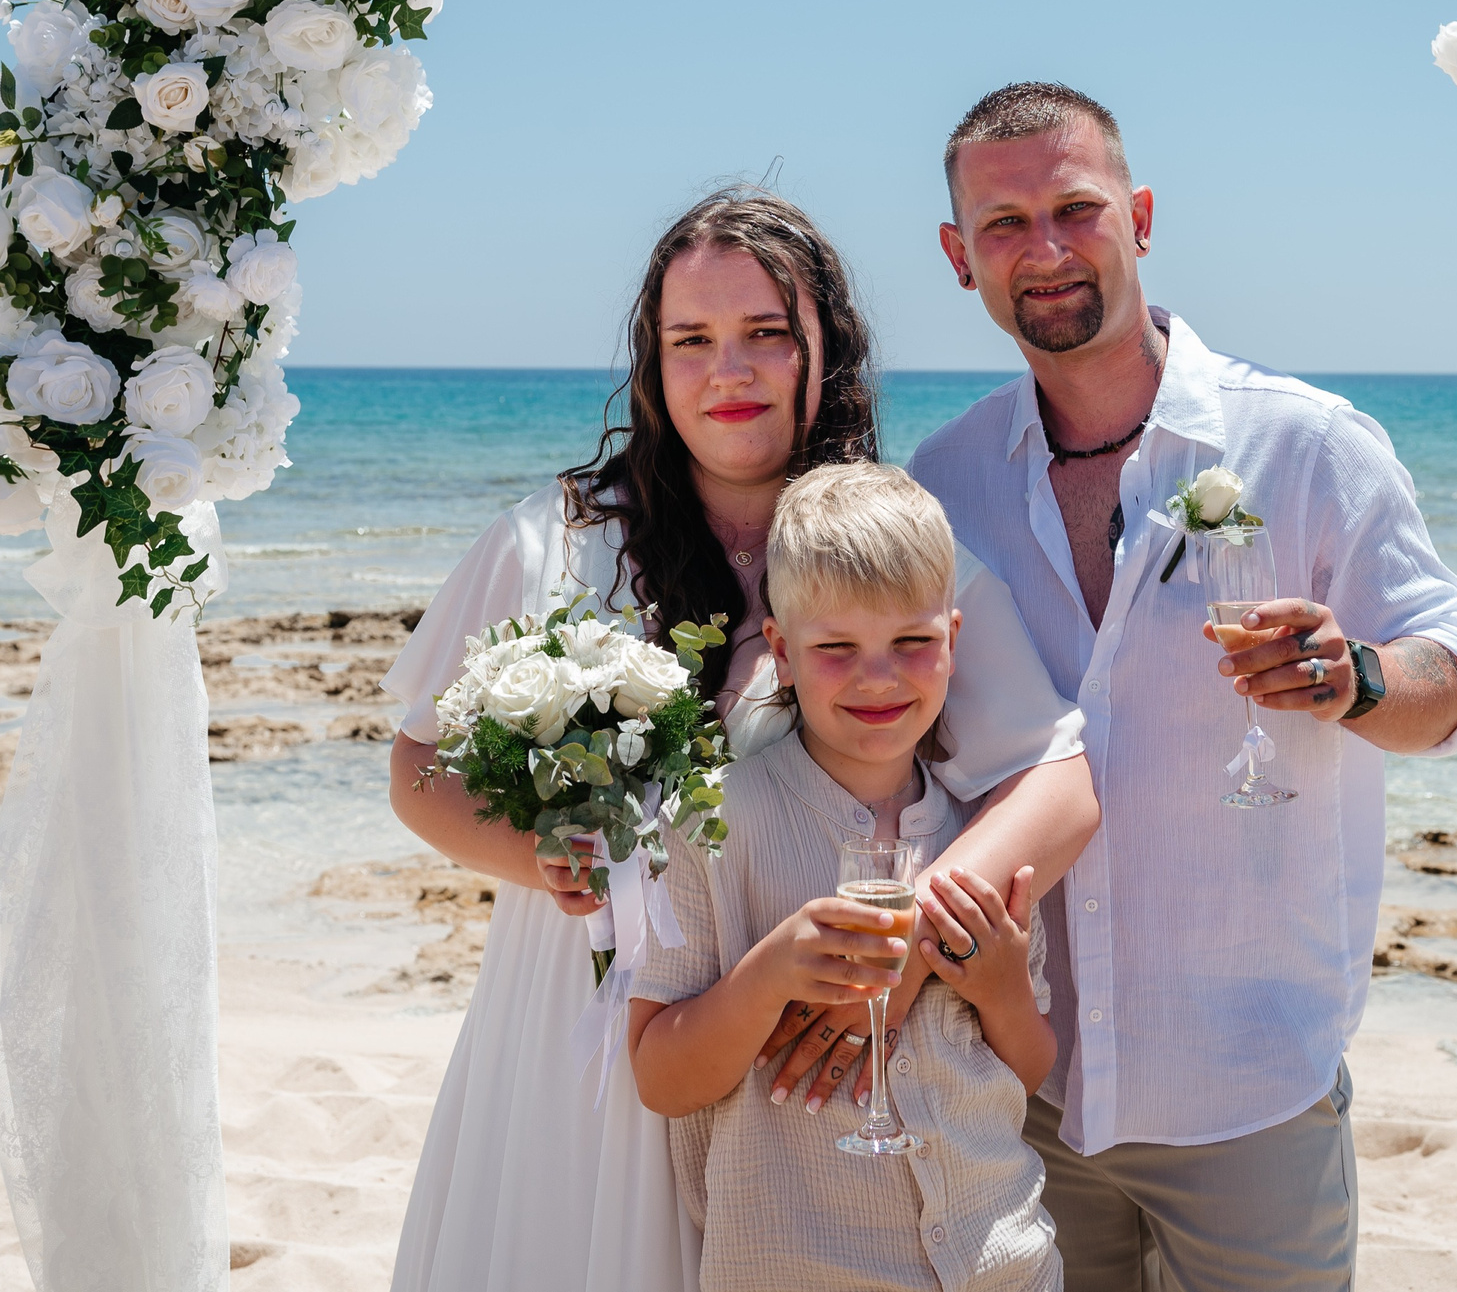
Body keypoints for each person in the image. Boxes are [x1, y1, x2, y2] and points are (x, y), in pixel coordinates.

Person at [380, 187, 1099, 1292]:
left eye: (767, 332)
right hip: (588, 1022)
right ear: (651, 360)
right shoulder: (552, 541)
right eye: (692, 339)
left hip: (803, 1096)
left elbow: (1058, 783)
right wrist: (543, 853)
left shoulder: (897, 551)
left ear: (826, 348)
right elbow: (418, 766)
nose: (731, 370)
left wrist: (906, 941)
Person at [909, 85, 1457, 1292]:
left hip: (1251, 1088)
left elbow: (1456, 671)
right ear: (959, 257)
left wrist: (1357, 677)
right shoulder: (944, 479)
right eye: (1006, 223)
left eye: (1075, 209)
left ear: (1138, 217)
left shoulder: (1306, 444)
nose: (1046, 247)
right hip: (1027, 1088)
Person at [629, 462, 1063, 1292]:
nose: (878, 676)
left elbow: (1027, 1072)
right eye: (837, 648)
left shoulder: (980, 836)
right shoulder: (713, 824)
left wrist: (1003, 988)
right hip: (803, 1269)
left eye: (912, 642)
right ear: (782, 652)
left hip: (1007, 1260)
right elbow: (660, 1078)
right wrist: (769, 974)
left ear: (954, 640)